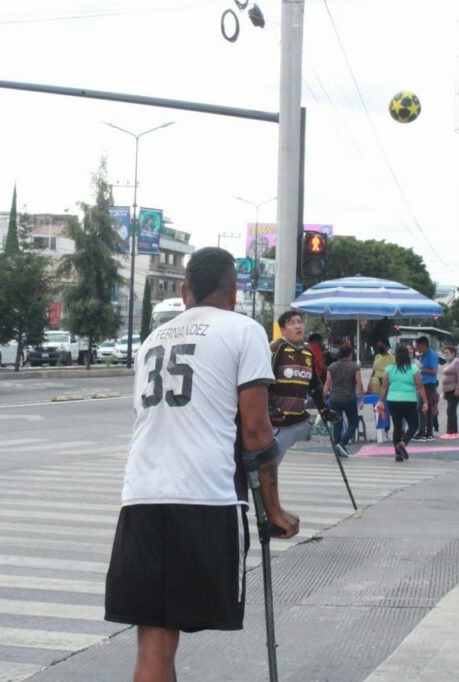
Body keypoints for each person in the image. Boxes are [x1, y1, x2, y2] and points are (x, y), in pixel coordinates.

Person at [105, 247, 300, 682]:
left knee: (154, 643)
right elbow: (255, 430)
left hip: (141, 498)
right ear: (233, 291)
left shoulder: (154, 339)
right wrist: (273, 512)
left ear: (183, 291)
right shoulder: (243, 330)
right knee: (171, 633)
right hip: (205, 499)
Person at [269, 309, 336, 463]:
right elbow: (264, 382)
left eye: (300, 322)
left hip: (298, 420)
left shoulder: (308, 352)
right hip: (276, 423)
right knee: (268, 468)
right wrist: (269, 407)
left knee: (270, 469)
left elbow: (314, 385)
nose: (298, 326)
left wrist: (324, 409)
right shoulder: (276, 348)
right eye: (292, 323)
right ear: (283, 330)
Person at [377, 345, 428, 462]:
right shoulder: (413, 368)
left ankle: (397, 455)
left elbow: (384, 385)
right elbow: (419, 386)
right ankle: (403, 443)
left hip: (393, 400)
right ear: (407, 355)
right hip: (409, 400)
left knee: (397, 427)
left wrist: (380, 400)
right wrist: (425, 401)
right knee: (414, 424)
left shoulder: (389, 369)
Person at [323, 344, 364, 457]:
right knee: (353, 423)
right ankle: (342, 443)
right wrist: (361, 399)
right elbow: (359, 384)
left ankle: (338, 447)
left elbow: (327, 383)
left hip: (334, 399)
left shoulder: (332, 366)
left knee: (337, 424)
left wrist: (323, 399)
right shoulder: (354, 366)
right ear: (350, 354)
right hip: (349, 399)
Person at [413, 336, 440, 441]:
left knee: (422, 407)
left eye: (418, 346)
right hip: (423, 383)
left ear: (424, 345)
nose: (417, 348)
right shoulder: (423, 355)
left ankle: (422, 433)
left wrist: (421, 368)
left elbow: (434, 371)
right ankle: (429, 432)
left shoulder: (432, 355)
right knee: (427, 408)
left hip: (429, 384)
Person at [439, 344, 459, 439]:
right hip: (449, 390)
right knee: (451, 410)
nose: (445, 354)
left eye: (447, 352)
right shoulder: (450, 362)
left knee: (450, 410)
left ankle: (451, 432)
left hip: (454, 390)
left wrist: (458, 389)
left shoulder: (457, 362)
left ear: (453, 353)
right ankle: (453, 432)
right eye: (444, 353)